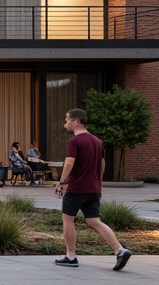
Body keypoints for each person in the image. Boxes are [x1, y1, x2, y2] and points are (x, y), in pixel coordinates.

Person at [54, 108, 132, 270]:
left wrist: (61, 182)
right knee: (93, 220)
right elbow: (102, 164)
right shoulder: (97, 141)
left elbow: (69, 162)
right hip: (93, 188)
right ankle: (120, 250)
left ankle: (71, 256)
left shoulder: (74, 142)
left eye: (67, 120)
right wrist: (98, 181)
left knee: (68, 219)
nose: (65, 124)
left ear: (76, 121)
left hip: (76, 188)